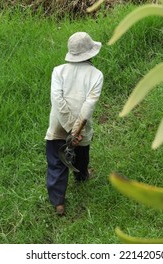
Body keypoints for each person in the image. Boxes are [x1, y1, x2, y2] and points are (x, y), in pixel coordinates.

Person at [45, 32, 104, 216]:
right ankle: (81, 176)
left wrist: (69, 127)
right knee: (81, 153)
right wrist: (76, 129)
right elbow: (88, 105)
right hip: (81, 128)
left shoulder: (58, 71)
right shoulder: (96, 75)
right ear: (91, 53)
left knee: (56, 161)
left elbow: (57, 100)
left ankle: (58, 202)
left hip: (58, 126)